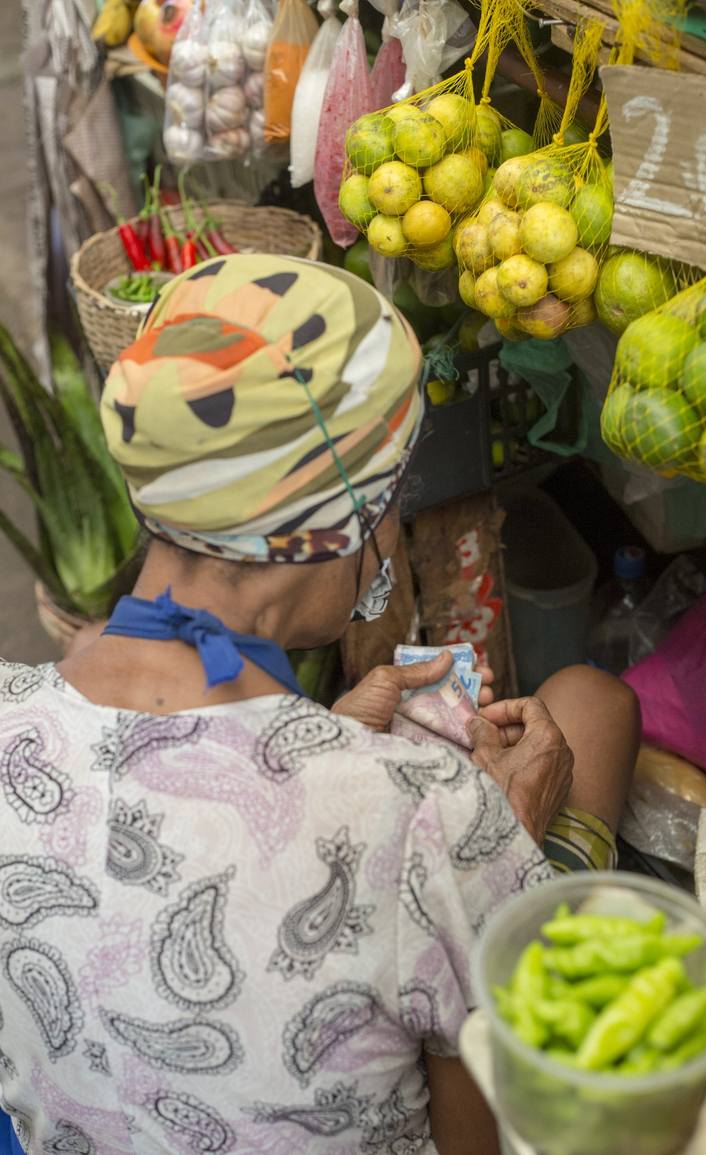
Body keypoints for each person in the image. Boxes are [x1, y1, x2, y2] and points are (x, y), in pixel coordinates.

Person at [0, 255, 638, 1155]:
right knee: (595, 707)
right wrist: (500, 855)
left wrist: (335, 743)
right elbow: (485, 1139)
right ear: (346, 520)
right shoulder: (423, 811)